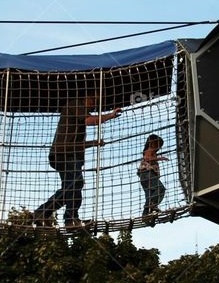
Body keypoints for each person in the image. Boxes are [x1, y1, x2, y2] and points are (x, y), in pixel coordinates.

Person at [33, 94, 121, 228]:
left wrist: (94, 142)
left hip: (66, 153)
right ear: (86, 97)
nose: (94, 105)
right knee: (76, 182)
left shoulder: (76, 112)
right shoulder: (75, 104)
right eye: (94, 101)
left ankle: (59, 217)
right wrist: (110, 115)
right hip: (65, 154)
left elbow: (76, 142)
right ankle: (67, 217)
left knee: (72, 186)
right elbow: (89, 121)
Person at [138, 134, 167, 223]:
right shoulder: (149, 150)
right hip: (148, 174)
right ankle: (153, 204)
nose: (158, 147)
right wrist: (160, 158)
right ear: (152, 143)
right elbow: (147, 158)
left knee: (149, 196)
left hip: (145, 177)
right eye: (157, 145)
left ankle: (146, 217)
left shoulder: (152, 152)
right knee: (160, 189)